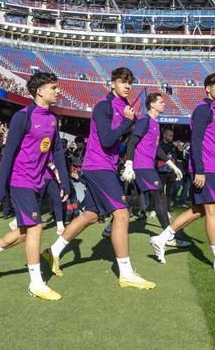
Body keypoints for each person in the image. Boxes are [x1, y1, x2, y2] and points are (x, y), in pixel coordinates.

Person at [45, 67, 155, 290]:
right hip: (98, 167)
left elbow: (117, 142)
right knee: (122, 214)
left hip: (106, 166)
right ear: (112, 83)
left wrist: (132, 126)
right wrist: (126, 123)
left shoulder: (123, 108)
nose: (127, 86)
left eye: (129, 82)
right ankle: (125, 274)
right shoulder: (104, 106)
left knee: (91, 215)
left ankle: (52, 252)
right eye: (122, 81)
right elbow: (106, 140)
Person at [0, 72, 71, 300]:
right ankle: (36, 283)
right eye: (53, 88)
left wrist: (64, 182)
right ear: (40, 91)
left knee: (27, 231)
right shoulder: (22, 116)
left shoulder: (53, 119)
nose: (58, 91)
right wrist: (0, 187)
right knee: (36, 228)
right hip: (21, 180)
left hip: (38, 181)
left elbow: (57, 151)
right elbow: (8, 153)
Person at [149, 74, 215, 274]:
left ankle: (161, 239)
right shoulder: (203, 109)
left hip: (212, 167)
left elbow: (211, 144)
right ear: (207, 88)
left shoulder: (213, 110)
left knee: (199, 210)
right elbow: (195, 141)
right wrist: (201, 171)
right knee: (214, 211)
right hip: (204, 169)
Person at [121, 93, 183, 237]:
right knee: (160, 195)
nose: (164, 104)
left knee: (131, 198)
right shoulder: (144, 120)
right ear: (152, 104)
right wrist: (129, 164)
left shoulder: (155, 123)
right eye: (161, 102)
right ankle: (169, 236)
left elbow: (156, 149)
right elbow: (132, 142)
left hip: (146, 165)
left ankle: (110, 228)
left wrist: (171, 165)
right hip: (143, 166)